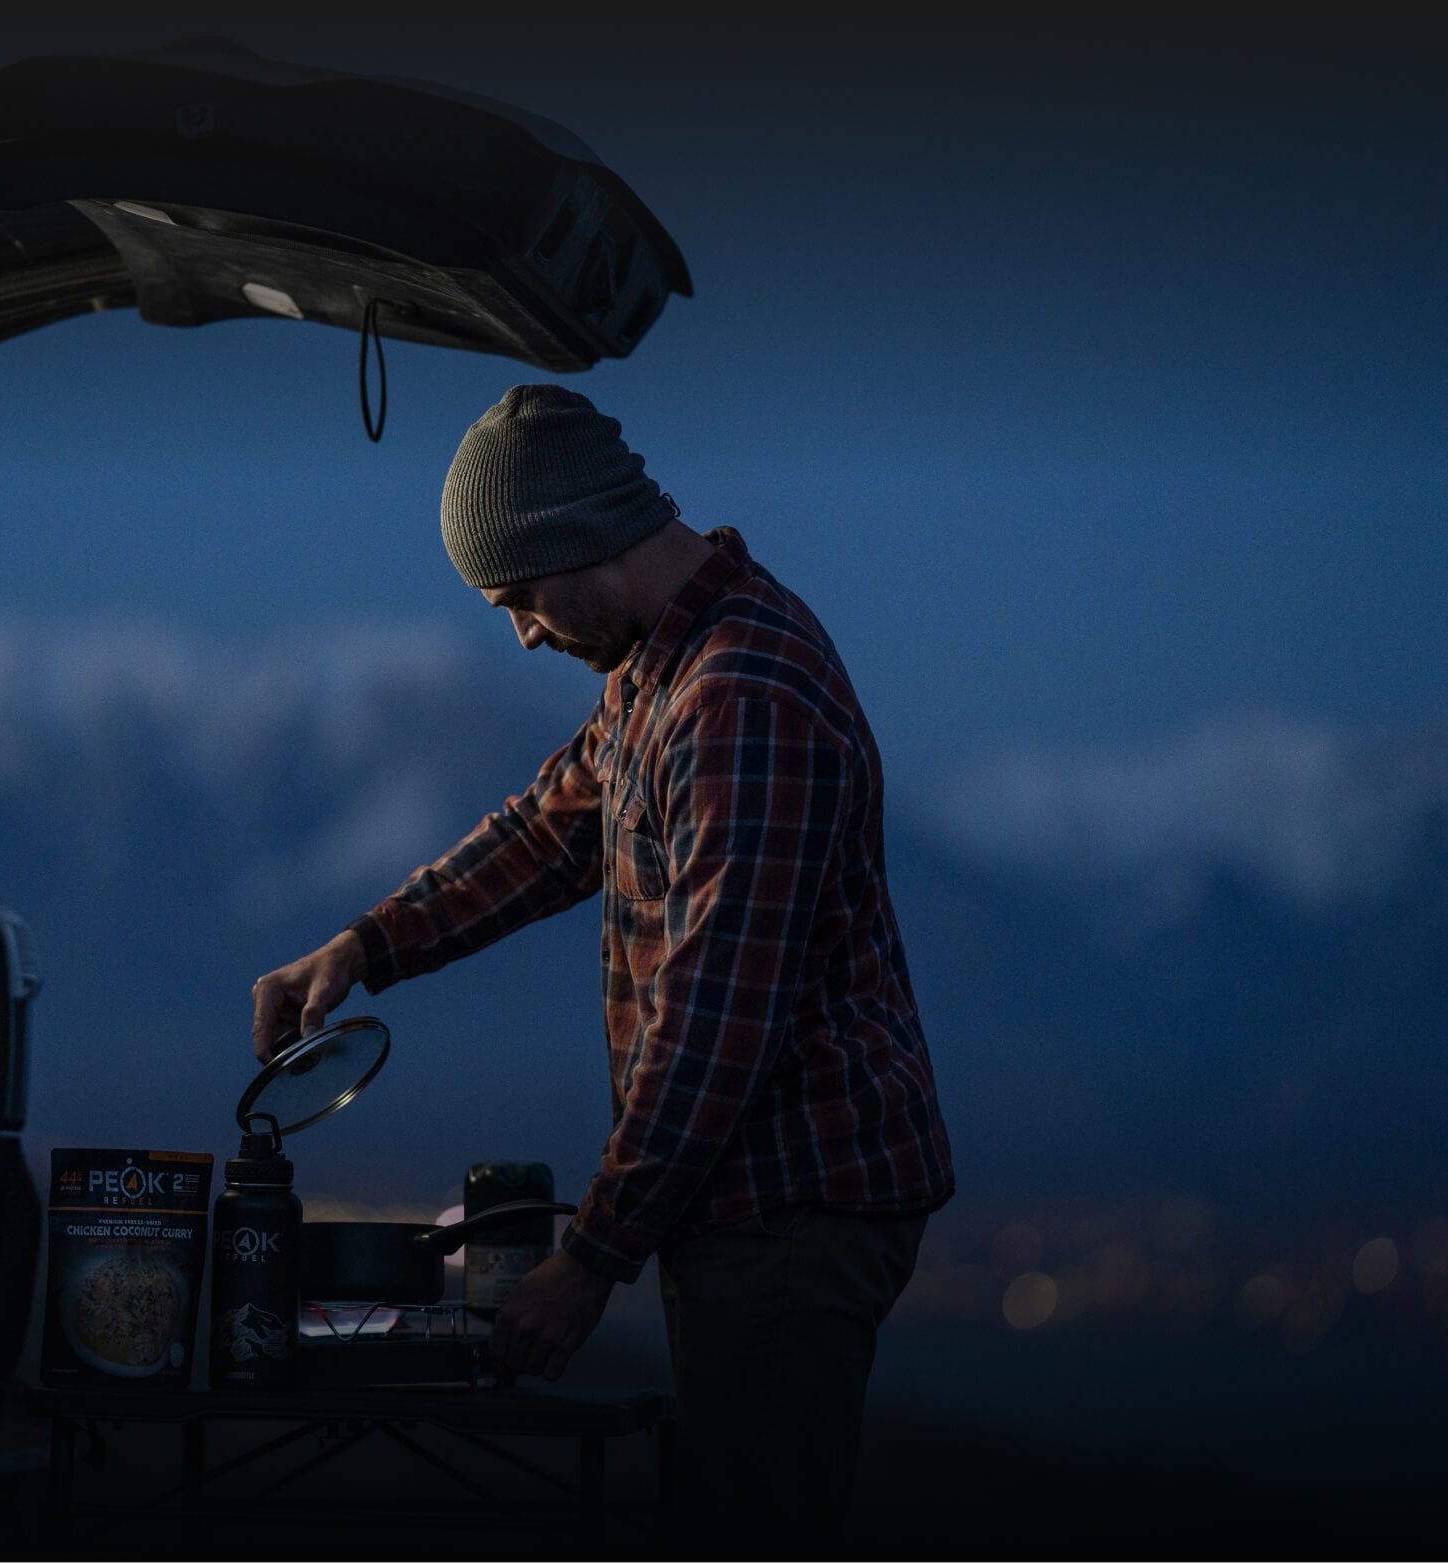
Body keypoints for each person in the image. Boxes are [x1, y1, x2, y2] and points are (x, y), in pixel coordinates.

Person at [250, 384, 953, 1547]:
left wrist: (590, 1260)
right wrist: (361, 948)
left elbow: (716, 1023)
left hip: (791, 1203)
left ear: (575, 537)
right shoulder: (658, 674)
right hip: (740, 1201)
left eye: (518, 597)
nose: (521, 631)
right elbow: (544, 829)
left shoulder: (740, 700)